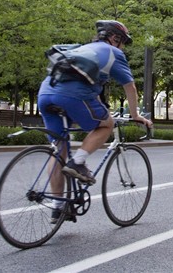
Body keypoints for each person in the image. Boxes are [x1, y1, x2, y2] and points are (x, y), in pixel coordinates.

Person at [38, 20, 153, 219]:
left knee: (59, 149)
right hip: (72, 95)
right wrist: (135, 115)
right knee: (106, 124)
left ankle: (59, 206)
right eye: (123, 41)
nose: (123, 46)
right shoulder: (114, 53)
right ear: (114, 38)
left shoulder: (81, 49)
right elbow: (130, 87)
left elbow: (91, 84)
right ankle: (78, 162)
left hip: (45, 93)